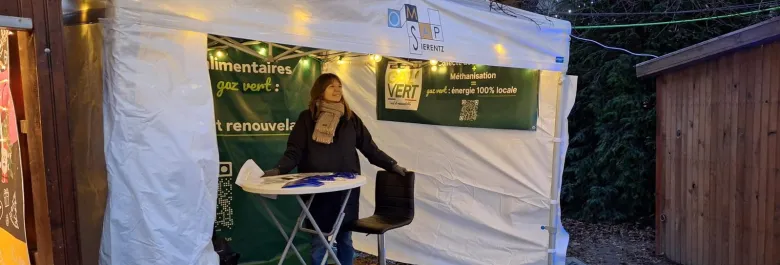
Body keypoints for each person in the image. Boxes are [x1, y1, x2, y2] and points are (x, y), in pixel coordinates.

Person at [263, 73, 407, 265]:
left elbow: (369, 148)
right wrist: (279, 170)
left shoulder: (350, 118)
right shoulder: (307, 118)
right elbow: (294, 151)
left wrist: (391, 164)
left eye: (339, 86)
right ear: (319, 91)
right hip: (317, 192)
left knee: (345, 238)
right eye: (331, 86)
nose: (337, 90)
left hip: (346, 191)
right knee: (319, 239)